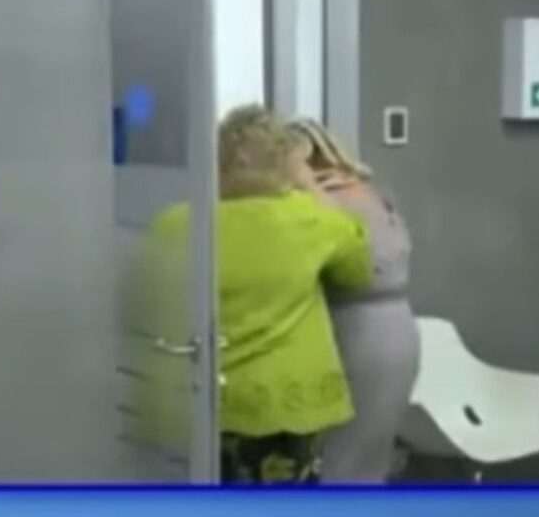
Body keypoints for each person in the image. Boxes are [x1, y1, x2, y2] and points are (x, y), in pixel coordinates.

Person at [135, 106, 372, 485]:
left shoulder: (176, 224)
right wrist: (310, 185)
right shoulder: (311, 219)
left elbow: (146, 298)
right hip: (291, 399)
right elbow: (358, 271)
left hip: (201, 398)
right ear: (283, 162)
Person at [285, 119, 420, 485]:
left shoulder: (322, 200)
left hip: (356, 328)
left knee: (340, 455)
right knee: (373, 451)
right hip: (400, 327)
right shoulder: (370, 192)